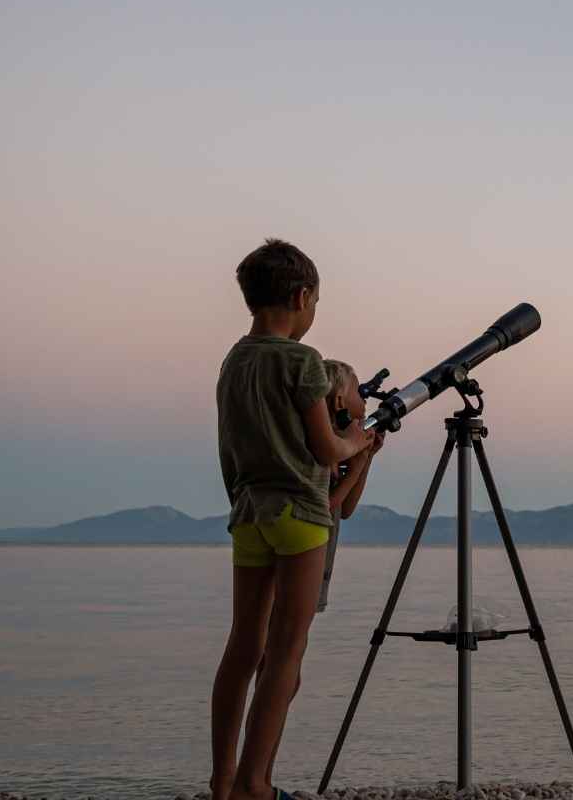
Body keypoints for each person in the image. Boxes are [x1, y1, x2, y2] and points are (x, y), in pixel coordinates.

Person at [209, 239, 382, 800]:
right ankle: (257, 785)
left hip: (248, 511)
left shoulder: (234, 360)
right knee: (287, 650)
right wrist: (357, 440)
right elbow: (326, 448)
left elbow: (235, 444)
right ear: (303, 296)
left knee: (243, 645)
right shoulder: (302, 361)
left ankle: (224, 777)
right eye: (314, 304)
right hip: (302, 516)